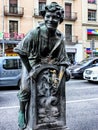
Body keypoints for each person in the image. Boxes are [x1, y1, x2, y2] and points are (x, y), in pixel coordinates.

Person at [14, 2, 68, 129]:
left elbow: (63, 59)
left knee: (55, 88)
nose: (51, 19)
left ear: (60, 19)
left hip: (50, 64)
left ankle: (52, 115)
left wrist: (63, 71)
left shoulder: (60, 37)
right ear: (44, 17)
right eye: (48, 16)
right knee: (26, 88)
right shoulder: (35, 33)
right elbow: (21, 51)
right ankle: (22, 110)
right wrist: (30, 70)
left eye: (55, 17)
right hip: (32, 63)